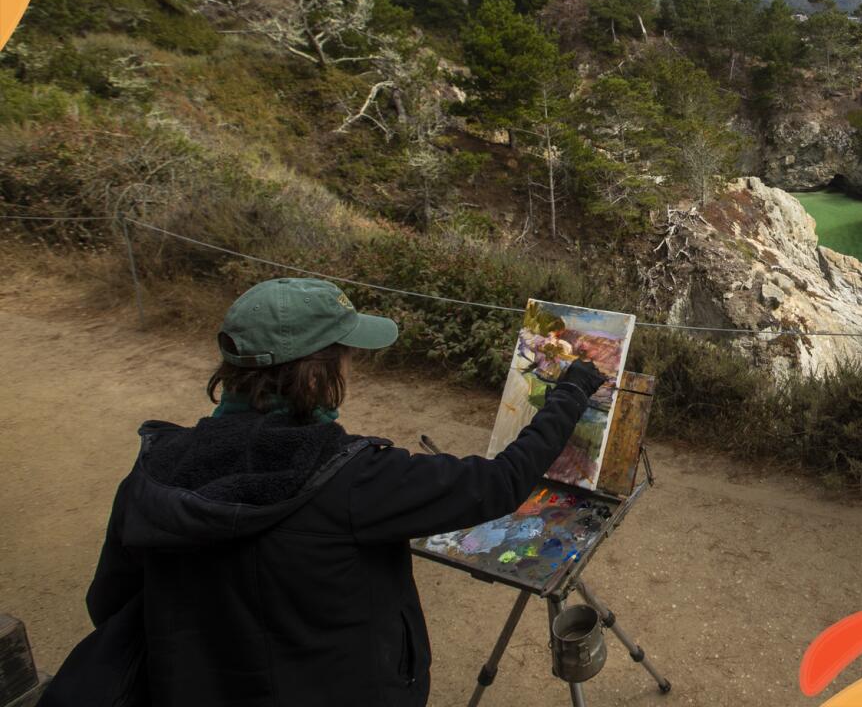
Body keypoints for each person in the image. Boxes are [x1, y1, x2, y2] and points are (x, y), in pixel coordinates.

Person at [79, 276, 606, 707]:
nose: (351, 369)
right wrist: (571, 390)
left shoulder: (156, 466)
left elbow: (109, 602)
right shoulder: (350, 480)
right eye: (346, 357)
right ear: (314, 377)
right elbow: (498, 484)